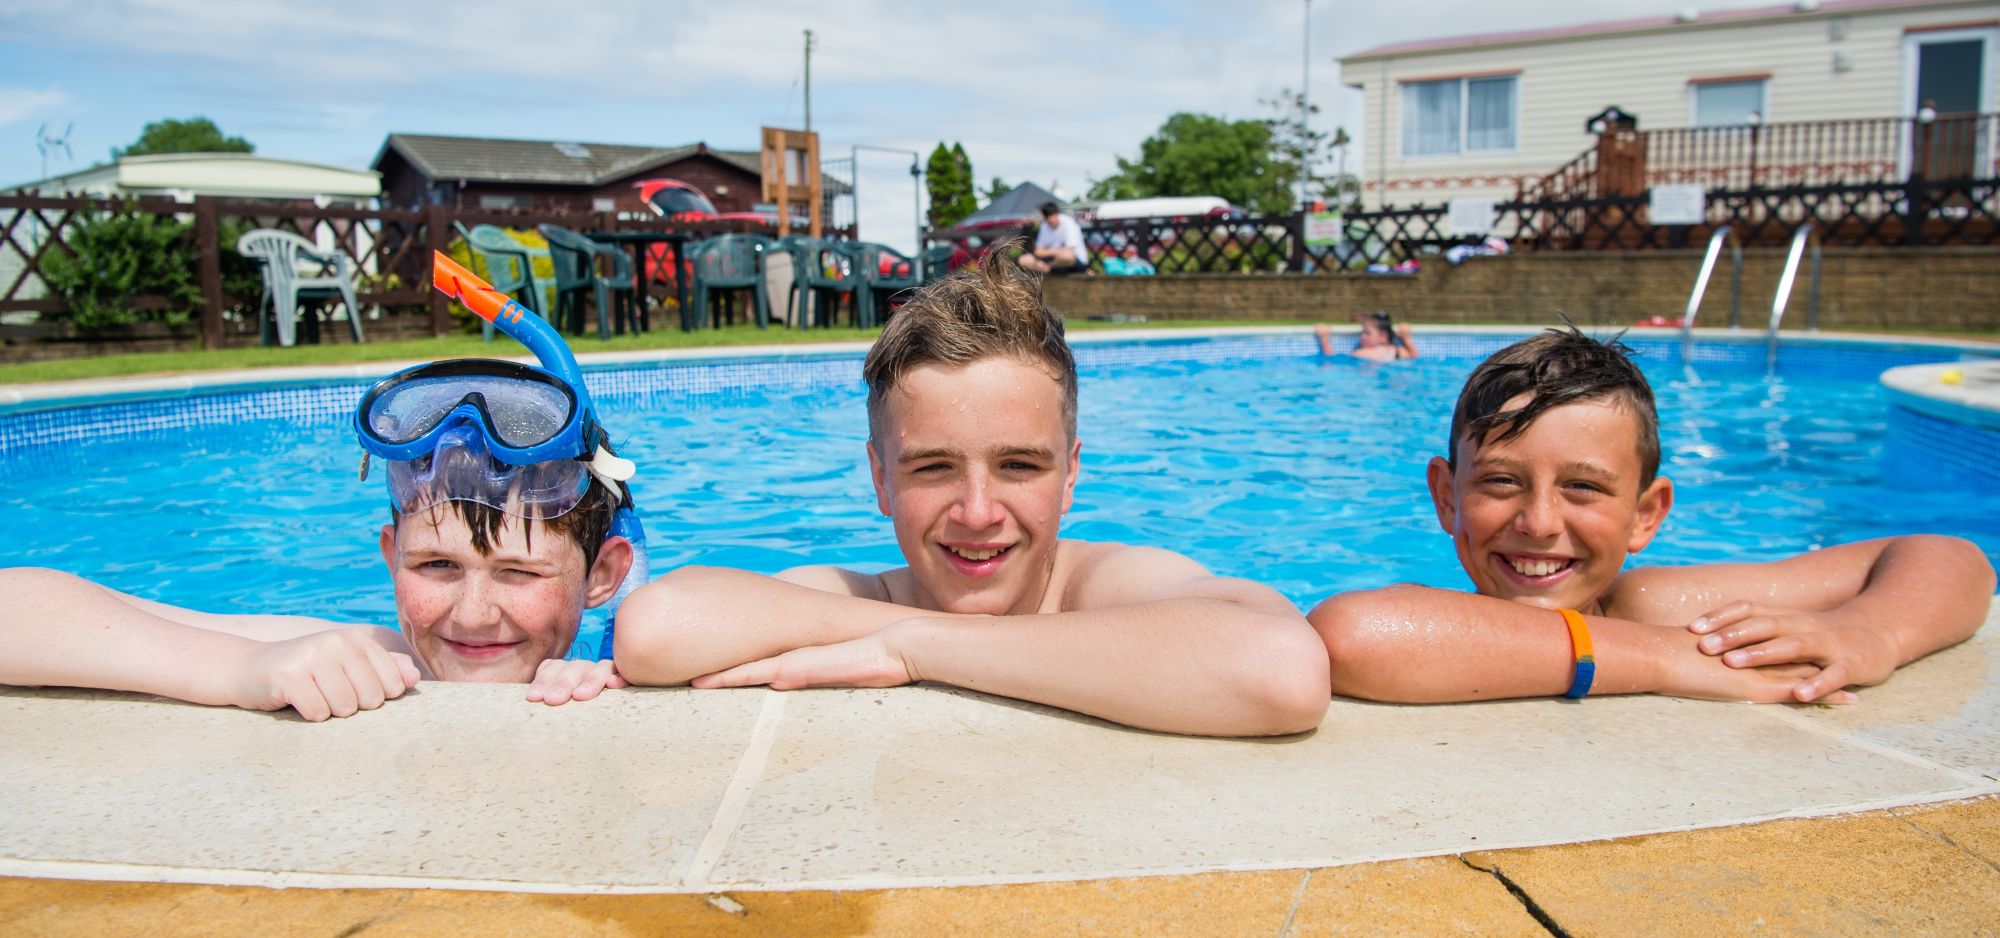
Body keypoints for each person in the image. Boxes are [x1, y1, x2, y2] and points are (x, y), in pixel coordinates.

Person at [614, 251, 1329, 737]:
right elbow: (659, 628)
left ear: (1071, 473)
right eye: (932, 468)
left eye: (1019, 465)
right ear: (880, 479)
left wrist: (920, 650)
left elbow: (1282, 668)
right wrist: (904, 635)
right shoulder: (869, 601)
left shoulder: (1104, 584)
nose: (979, 512)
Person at [0, 253, 646, 720]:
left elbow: (704, 616)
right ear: (391, 555)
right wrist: (236, 670)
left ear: (604, 575)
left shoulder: (627, 655)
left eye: (519, 573)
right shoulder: (384, 658)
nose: (472, 614)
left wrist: (638, 664)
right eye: (436, 564)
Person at [1306, 326, 1994, 704]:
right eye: (1503, 482)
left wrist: (1870, 632)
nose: (1540, 521)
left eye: (1582, 488)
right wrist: (1671, 659)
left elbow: (1952, 557)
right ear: (1447, 497)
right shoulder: (1668, 634)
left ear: (1646, 514)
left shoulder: (1652, 600)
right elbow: (1351, 634)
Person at [1017, 201, 1090, 275]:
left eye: (1051, 216)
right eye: (1047, 217)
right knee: (1023, 260)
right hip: (1053, 261)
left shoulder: (1069, 223)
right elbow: (1038, 251)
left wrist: (1047, 252)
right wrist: (1056, 252)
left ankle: (1048, 268)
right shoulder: (1045, 226)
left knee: (1067, 256)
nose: (1050, 220)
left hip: (1076, 262)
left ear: (1057, 214)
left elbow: (1069, 251)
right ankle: (1048, 268)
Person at [1315, 312, 1417, 361]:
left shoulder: (1362, 353)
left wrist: (1324, 339)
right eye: (1362, 333)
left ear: (1383, 337)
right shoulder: (1399, 352)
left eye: (1367, 333)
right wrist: (1406, 338)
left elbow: (1332, 360)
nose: (1362, 337)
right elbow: (1415, 356)